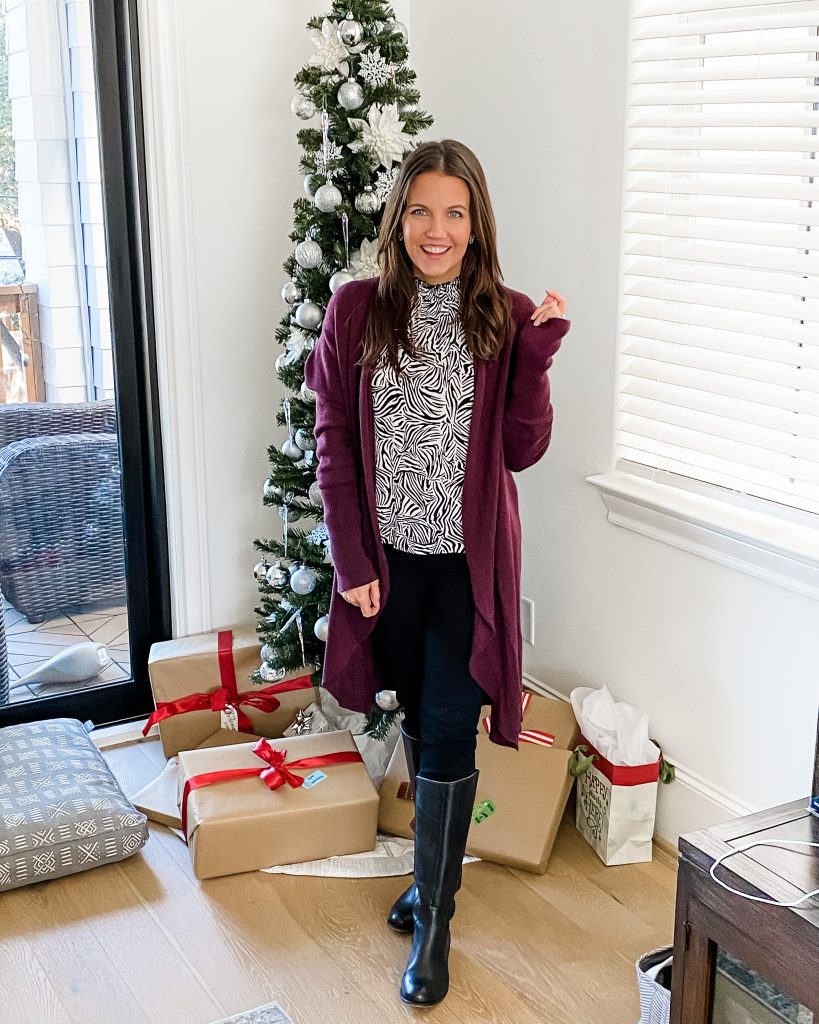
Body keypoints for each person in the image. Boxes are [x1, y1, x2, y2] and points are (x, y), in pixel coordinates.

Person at [304, 139, 570, 1007]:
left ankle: (434, 922)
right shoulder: (355, 312)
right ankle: (428, 878)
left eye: (454, 212)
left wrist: (534, 360)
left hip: (466, 571)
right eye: (421, 209)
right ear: (398, 218)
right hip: (388, 567)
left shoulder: (504, 314)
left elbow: (522, 450)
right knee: (416, 715)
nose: (436, 228)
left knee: (452, 728)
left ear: (476, 223)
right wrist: (349, 558)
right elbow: (334, 444)